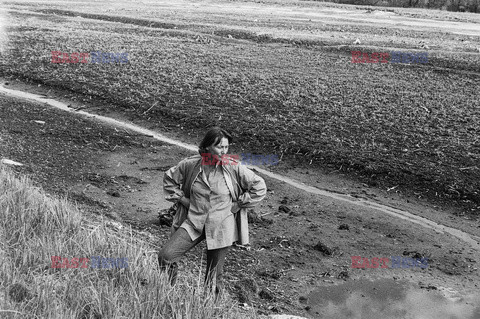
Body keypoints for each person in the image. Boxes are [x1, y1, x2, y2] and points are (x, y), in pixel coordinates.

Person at [159, 127, 267, 296]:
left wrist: (239, 204)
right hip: (194, 222)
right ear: (208, 146)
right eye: (219, 147)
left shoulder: (233, 167)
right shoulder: (191, 165)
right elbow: (169, 179)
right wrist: (182, 200)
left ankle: (210, 309)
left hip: (221, 226)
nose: (224, 152)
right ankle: (167, 294)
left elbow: (259, 186)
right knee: (166, 256)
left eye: (226, 147)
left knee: (214, 278)